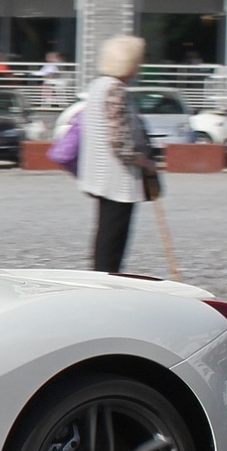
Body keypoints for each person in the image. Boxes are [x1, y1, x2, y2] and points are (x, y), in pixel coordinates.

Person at [76, 35, 158, 274]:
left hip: (103, 174)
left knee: (107, 232)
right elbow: (119, 139)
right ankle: (106, 281)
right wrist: (144, 161)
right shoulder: (115, 89)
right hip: (117, 178)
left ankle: (105, 278)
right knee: (113, 237)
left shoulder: (99, 86)